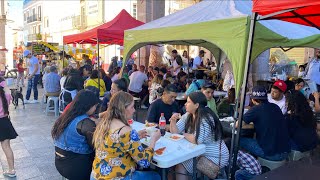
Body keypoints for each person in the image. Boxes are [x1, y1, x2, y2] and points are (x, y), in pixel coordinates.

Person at [91, 92, 161, 180]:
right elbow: (145, 162)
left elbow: (113, 143)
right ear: (123, 109)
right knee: (156, 176)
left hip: (96, 175)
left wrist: (136, 137)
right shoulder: (126, 131)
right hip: (117, 177)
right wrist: (153, 140)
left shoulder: (104, 123)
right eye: (132, 107)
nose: (134, 110)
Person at [170, 92, 229, 180]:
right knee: (179, 164)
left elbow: (196, 140)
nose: (185, 104)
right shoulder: (188, 115)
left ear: (196, 105)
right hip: (199, 153)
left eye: (188, 102)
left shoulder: (205, 118)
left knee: (180, 165)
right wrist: (173, 121)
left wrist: (182, 134)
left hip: (215, 157)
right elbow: (175, 133)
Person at [52, 90, 100, 180]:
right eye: (95, 106)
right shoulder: (86, 123)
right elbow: (95, 146)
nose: (95, 109)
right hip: (76, 167)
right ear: (88, 105)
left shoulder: (66, 116)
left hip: (59, 162)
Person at [237, 86, 289, 161]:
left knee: (238, 140)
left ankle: (246, 163)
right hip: (285, 152)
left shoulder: (256, 109)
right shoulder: (275, 107)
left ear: (253, 100)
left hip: (272, 154)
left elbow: (237, 125)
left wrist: (248, 125)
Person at [0, 77, 17, 177]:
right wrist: (4, 84)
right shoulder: (6, 96)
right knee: (7, 147)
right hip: (5, 122)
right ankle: (12, 170)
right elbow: (7, 90)